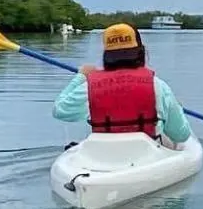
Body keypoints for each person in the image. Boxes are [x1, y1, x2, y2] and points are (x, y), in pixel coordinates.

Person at [51, 22, 192, 147]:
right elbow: (181, 135)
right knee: (170, 136)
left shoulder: (89, 87)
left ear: (106, 55)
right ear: (141, 52)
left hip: (102, 156)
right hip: (148, 156)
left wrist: (81, 76)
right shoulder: (158, 86)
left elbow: (59, 110)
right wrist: (177, 109)